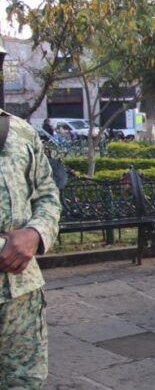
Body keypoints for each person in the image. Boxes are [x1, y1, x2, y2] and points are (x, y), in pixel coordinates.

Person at [0, 109, 61, 389]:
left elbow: (47, 194)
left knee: (26, 382)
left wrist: (36, 233)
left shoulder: (20, 130)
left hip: (22, 295)